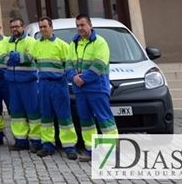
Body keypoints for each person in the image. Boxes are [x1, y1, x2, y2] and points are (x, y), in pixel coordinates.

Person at [66, 15, 118, 162]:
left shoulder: (100, 42)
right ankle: (91, 151)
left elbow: (99, 65)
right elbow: (68, 64)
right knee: (86, 121)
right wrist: (73, 77)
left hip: (97, 88)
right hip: (80, 90)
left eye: (82, 25)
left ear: (90, 25)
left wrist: (82, 79)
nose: (80, 28)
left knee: (105, 120)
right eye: (77, 25)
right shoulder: (74, 44)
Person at [33, 17, 78, 160]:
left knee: (64, 116)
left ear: (51, 27)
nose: (42, 30)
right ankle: (47, 144)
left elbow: (69, 65)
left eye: (45, 26)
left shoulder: (62, 45)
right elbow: (34, 62)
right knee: (46, 116)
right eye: (40, 27)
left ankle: (69, 146)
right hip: (43, 84)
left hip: (58, 84)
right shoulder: (36, 45)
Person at [5, 17, 41, 152]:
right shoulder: (8, 41)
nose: (15, 29)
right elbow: (4, 58)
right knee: (16, 114)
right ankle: (20, 141)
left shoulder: (31, 41)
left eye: (17, 27)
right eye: (12, 27)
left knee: (33, 113)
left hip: (28, 82)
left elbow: (29, 58)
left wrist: (13, 56)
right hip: (13, 83)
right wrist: (18, 57)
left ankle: (36, 142)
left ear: (23, 27)